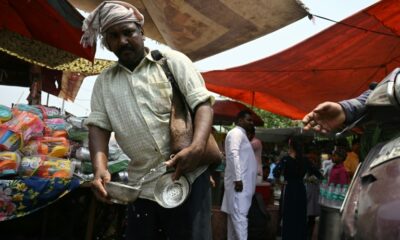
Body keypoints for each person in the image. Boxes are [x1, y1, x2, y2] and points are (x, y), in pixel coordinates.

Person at [81, 2, 214, 239]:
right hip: (140, 189)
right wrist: (100, 169)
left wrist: (197, 147)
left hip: (188, 179)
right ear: (107, 43)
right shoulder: (104, 82)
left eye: (128, 32)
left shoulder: (172, 61)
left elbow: (202, 104)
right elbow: (98, 127)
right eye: (113, 36)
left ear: (141, 32)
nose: (122, 41)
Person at [273, 137, 322, 240]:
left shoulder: (286, 159)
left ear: (291, 146)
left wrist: (280, 181)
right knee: (300, 216)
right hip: (301, 189)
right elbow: (318, 174)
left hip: (289, 189)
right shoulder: (305, 160)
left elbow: (275, 173)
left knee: (289, 215)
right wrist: (308, 180)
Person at [221, 110, 258, 240]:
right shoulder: (236, 133)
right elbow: (232, 155)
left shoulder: (241, 135)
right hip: (239, 186)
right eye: (249, 120)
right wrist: (238, 179)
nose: (251, 123)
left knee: (234, 220)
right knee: (240, 219)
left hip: (241, 186)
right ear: (240, 120)